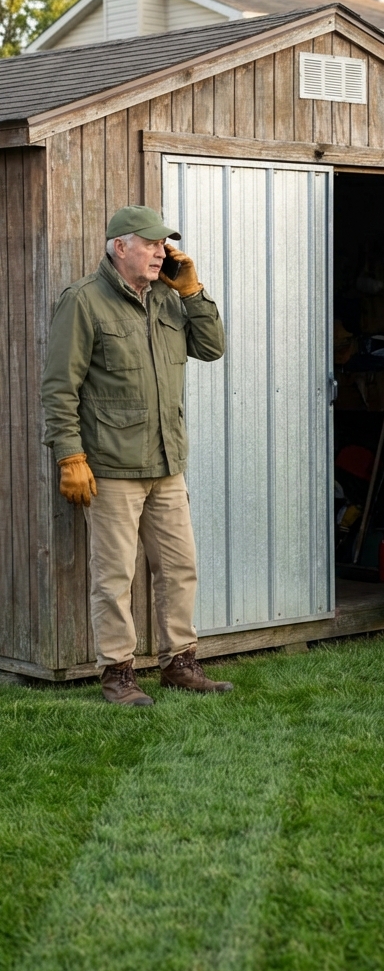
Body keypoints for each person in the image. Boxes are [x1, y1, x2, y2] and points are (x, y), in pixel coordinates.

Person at [42, 205, 234, 706]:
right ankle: (118, 673)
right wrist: (69, 456)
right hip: (110, 466)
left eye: (163, 244)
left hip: (167, 463)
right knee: (114, 576)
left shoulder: (170, 299)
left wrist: (192, 291)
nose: (160, 252)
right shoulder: (84, 302)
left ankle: (180, 663)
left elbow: (212, 348)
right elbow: (60, 387)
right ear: (119, 246)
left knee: (179, 567)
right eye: (150, 243)